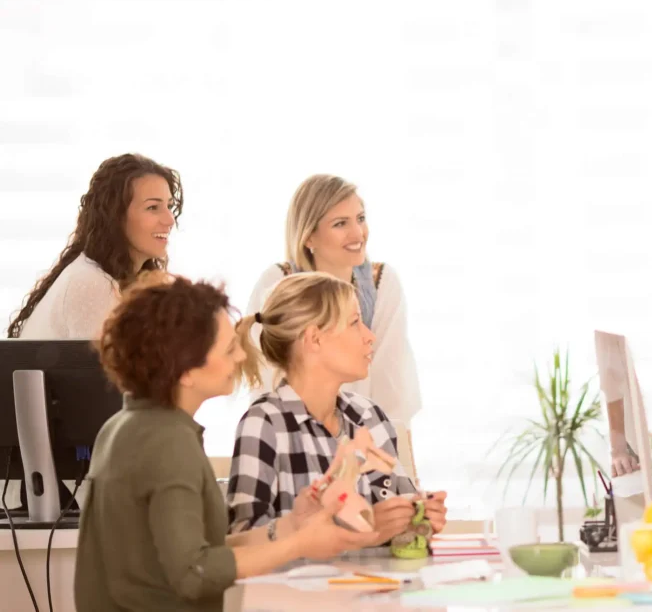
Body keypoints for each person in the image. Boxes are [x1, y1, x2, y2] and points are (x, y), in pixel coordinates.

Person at [74, 274, 379, 612]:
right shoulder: (168, 443)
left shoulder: (125, 427)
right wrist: (300, 545)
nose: (239, 358)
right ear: (186, 370)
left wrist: (291, 527)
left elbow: (200, 551)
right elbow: (195, 572)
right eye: (229, 348)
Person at [228, 272, 447, 546]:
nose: (370, 337)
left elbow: (398, 520)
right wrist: (360, 527)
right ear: (314, 339)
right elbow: (243, 540)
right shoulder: (264, 424)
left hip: (377, 587)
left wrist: (420, 517)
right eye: (355, 323)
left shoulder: (369, 417)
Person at [246, 174, 421, 425]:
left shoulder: (382, 283)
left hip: (364, 431)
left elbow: (391, 381)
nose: (358, 233)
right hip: (292, 429)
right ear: (309, 237)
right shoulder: (277, 282)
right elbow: (265, 376)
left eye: (360, 219)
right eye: (340, 224)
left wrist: (374, 442)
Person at [8, 153, 181, 339]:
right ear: (116, 216)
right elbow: (109, 368)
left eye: (169, 207)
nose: (170, 220)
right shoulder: (92, 284)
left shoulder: (112, 279)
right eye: (153, 207)